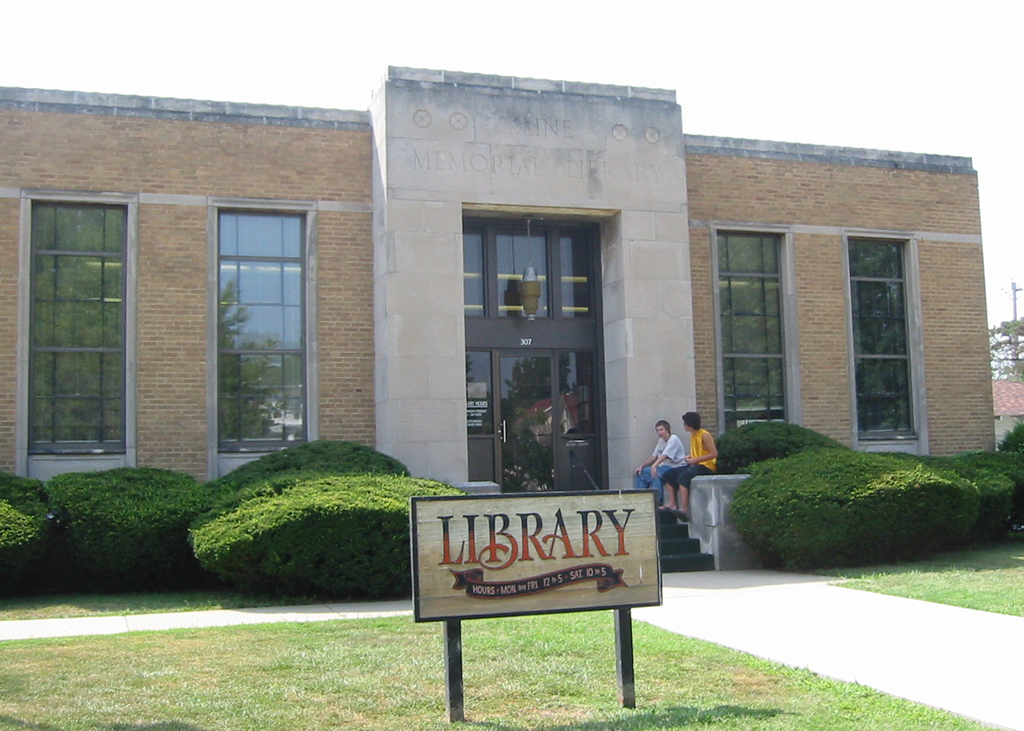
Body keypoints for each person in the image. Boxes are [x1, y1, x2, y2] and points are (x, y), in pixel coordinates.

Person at [661, 411, 717, 521]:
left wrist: (696, 459)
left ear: (689, 425)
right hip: (695, 464)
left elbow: (714, 453)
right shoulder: (693, 435)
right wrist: (690, 457)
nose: (683, 425)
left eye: (684, 423)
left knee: (683, 477)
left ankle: (684, 509)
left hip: (706, 466)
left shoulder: (704, 435)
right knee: (668, 474)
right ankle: (672, 503)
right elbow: (700, 451)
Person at [633, 420, 686, 505]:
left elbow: (664, 455)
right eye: (657, 430)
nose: (659, 432)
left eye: (661, 430)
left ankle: (657, 501)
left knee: (656, 473)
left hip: (675, 467)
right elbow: (654, 456)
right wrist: (642, 466)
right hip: (662, 466)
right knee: (641, 472)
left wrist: (654, 466)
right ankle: (638, 499)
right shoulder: (661, 441)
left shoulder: (673, 439)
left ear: (667, 430)